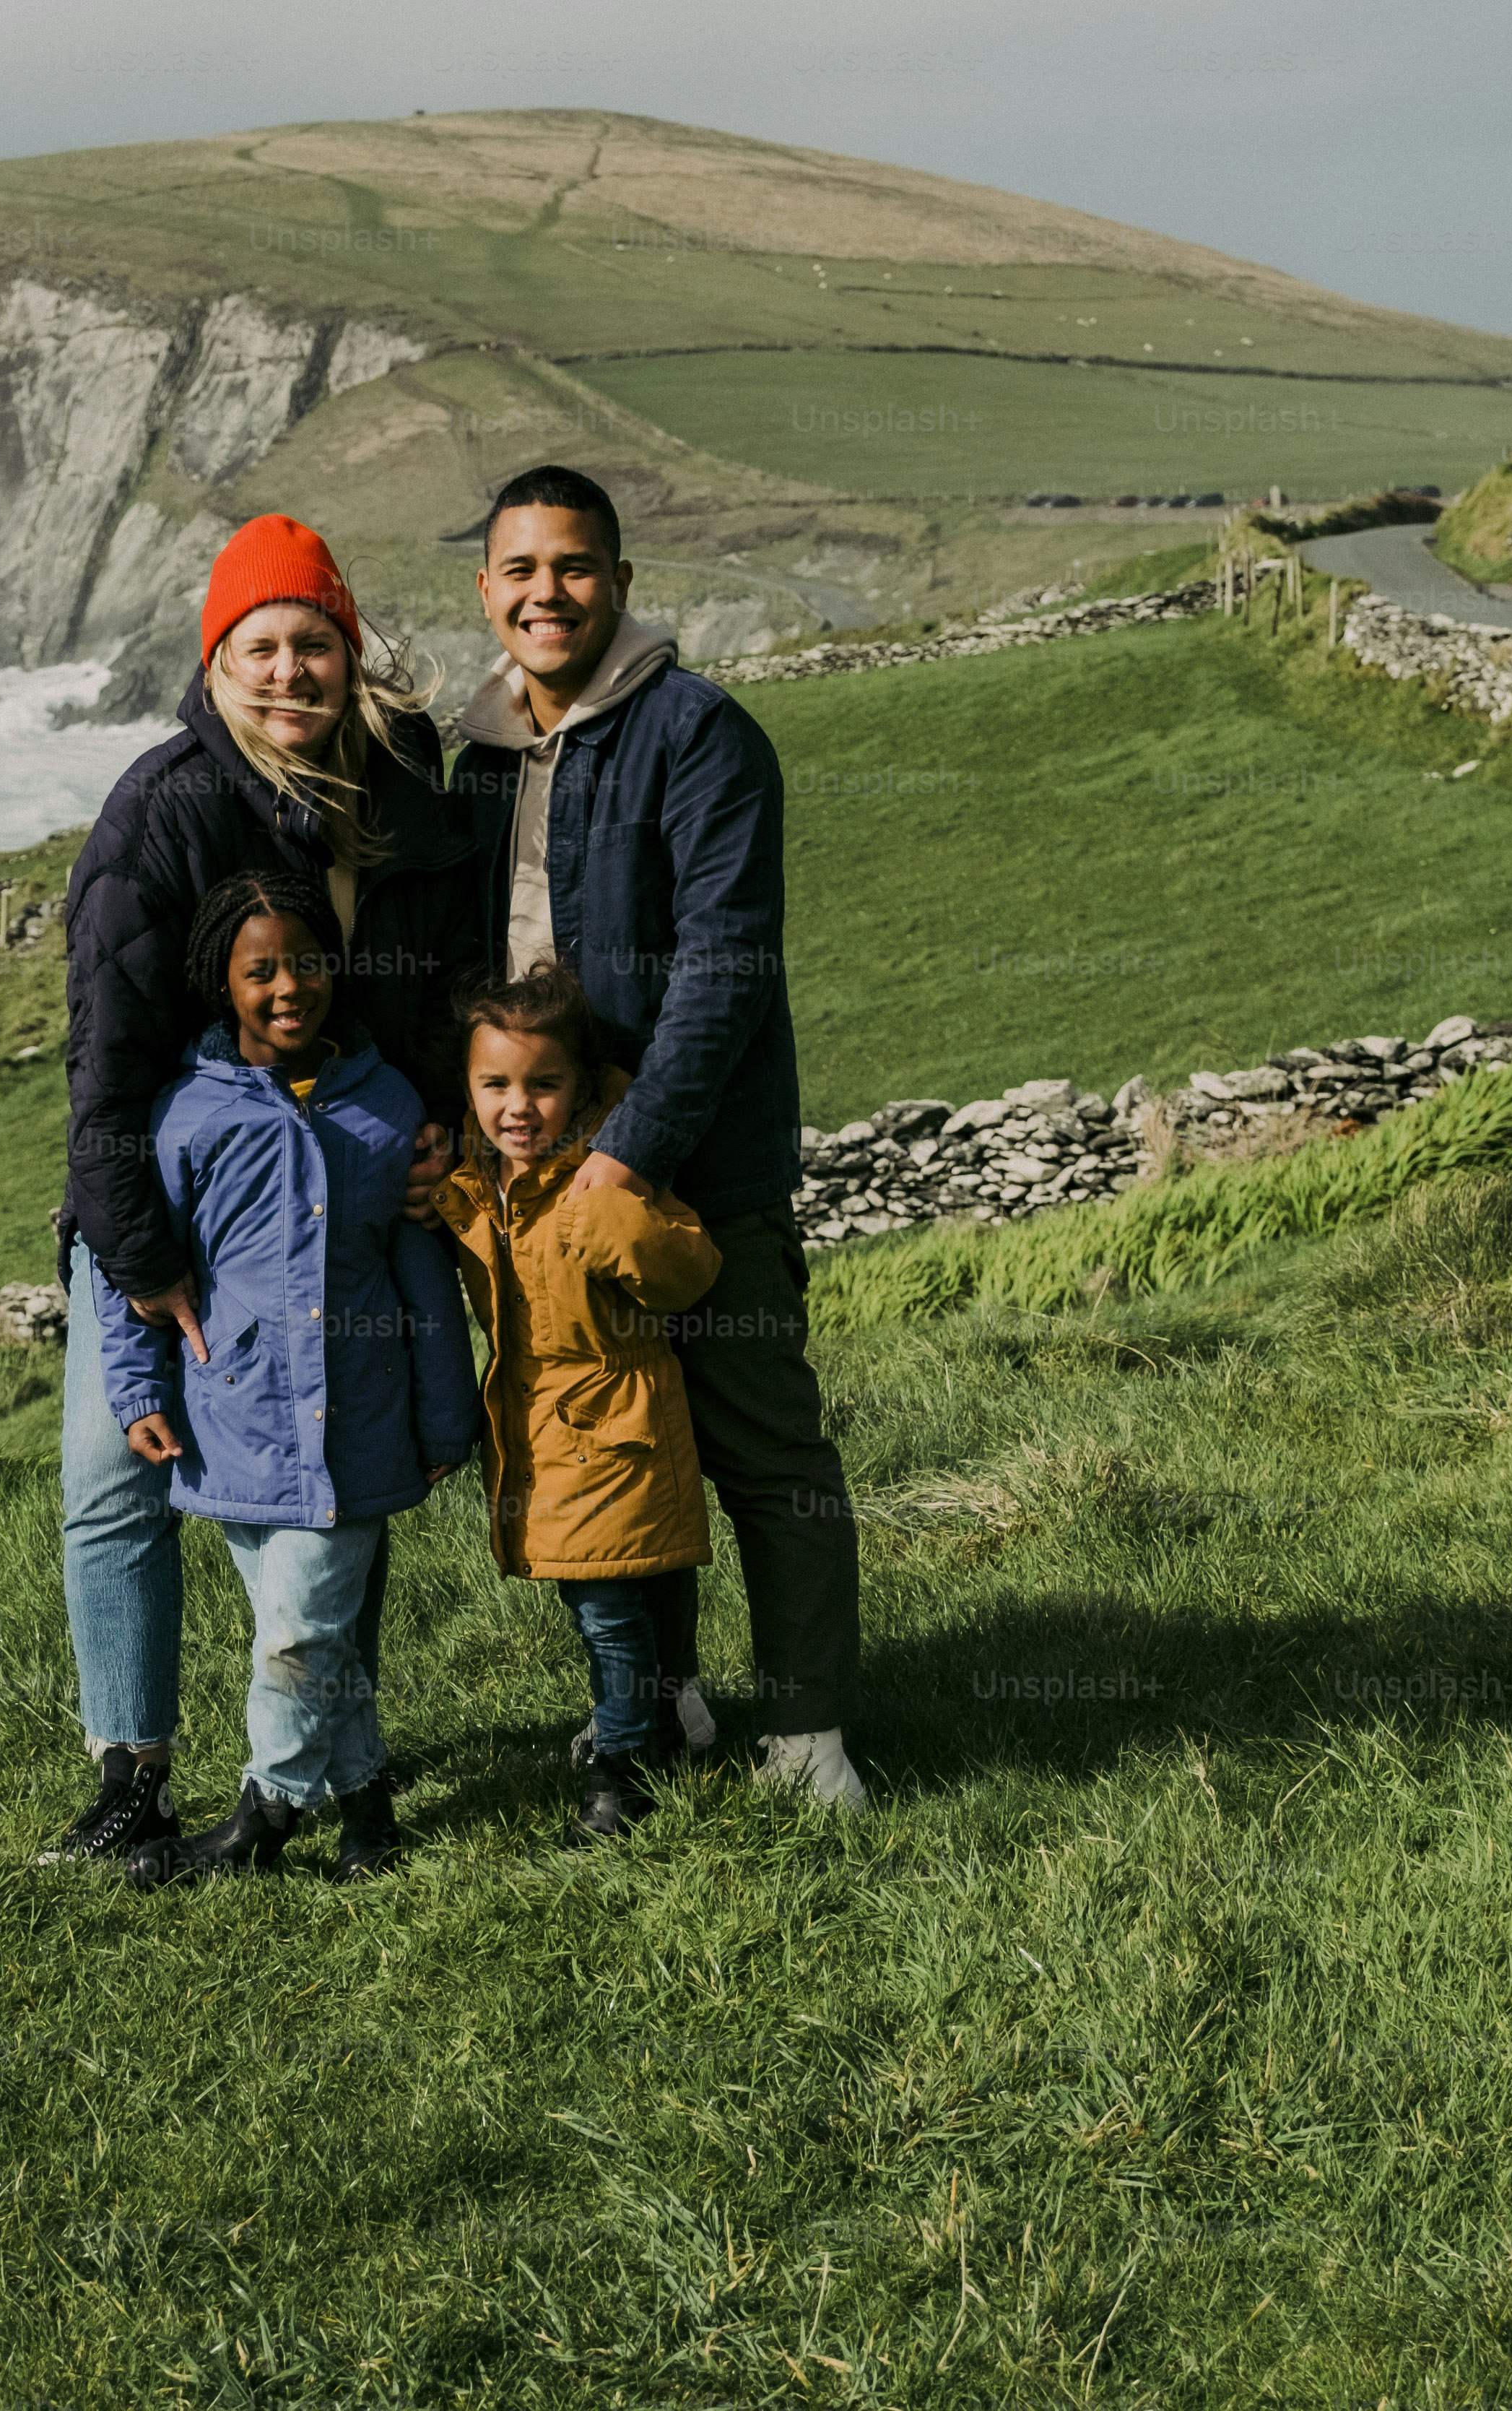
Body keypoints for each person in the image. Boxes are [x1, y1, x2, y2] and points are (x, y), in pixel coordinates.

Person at [45, 516, 492, 1866]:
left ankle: (327, 1765)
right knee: (113, 1472)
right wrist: (138, 1256)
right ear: (215, 660)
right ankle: (132, 1772)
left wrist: (434, 1138)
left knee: (342, 1464)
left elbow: (443, 978)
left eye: (313, 645)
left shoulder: (405, 786)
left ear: (347, 655)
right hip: (170, 1192)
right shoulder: (163, 808)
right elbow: (105, 1069)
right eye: (261, 649)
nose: (289, 673)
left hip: (348, 1176)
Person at [453, 464, 870, 1810]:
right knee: (621, 1437)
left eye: (572, 567)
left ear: (621, 583)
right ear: (486, 593)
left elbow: (725, 964)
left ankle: (808, 1736)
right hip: (553, 1179)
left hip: (699, 1171)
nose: (546, 592)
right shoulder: (477, 764)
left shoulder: (700, 734)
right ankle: (668, 1699)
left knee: (761, 1448)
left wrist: (628, 1150)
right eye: (519, 571)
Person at [92, 871, 480, 1883]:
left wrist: (446, 1417)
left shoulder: (384, 1105)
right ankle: (368, 1816)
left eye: (304, 961)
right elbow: (130, 1270)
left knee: (296, 1638)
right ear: (220, 981)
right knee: (313, 1639)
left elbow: (420, 1275)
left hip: (355, 1425)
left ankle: (259, 1818)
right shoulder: (185, 1114)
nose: (286, 986)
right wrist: (137, 1391)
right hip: (231, 1422)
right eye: (258, 969)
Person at [433, 963, 722, 1839]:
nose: (518, 1105)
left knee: (607, 1611)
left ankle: (621, 1772)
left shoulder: (602, 1180)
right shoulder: (486, 1183)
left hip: (617, 1426)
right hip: (547, 1432)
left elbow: (692, 1270)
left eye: (543, 1084)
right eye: (495, 1084)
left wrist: (616, 1218)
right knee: (634, 1599)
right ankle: (667, 1723)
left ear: (584, 1086)